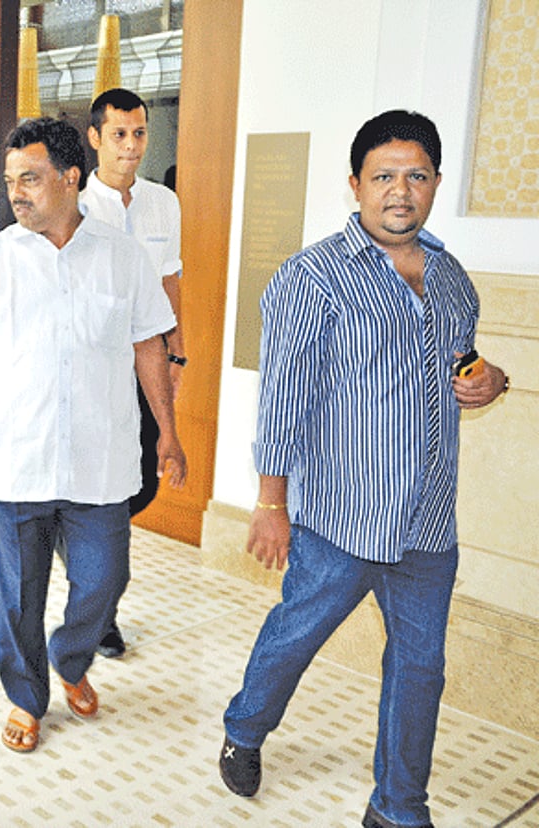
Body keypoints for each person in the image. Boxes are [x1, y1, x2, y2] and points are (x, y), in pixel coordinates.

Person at [218, 110, 510, 828]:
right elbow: (283, 397)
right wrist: (269, 503)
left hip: (428, 523)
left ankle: (398, 807)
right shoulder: (312, 277)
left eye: (416, 175)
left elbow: (462, 369)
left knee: (421, 669)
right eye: (383, 176)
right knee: (297, 635)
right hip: (340, 517)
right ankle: (245, 729)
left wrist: (488, 381)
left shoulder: (451, 280)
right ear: (355, 185)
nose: (399, 191)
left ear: (437, 182)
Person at [0, 117, 186, 754]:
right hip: (20, 458)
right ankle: (25, 697)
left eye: (30, 178)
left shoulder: (124, 260)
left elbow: (150, 348)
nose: (18, 193)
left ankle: (71, 659)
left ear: (71, 178)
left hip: (103, 459)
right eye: (11, 181)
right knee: (19, 596)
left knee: (104, 581)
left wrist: (167, 432)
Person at [77, 87, 187, 658]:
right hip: (92, 372)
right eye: (118, 134)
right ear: (95, 138)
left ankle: (89, 575)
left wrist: (178, 357)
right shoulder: (74, 202)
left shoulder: (163, 203)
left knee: (136, 487)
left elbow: (170, 283)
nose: (131, 146)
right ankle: (101, 611)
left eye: (139, 133)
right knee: (99, 495)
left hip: (146, 367)